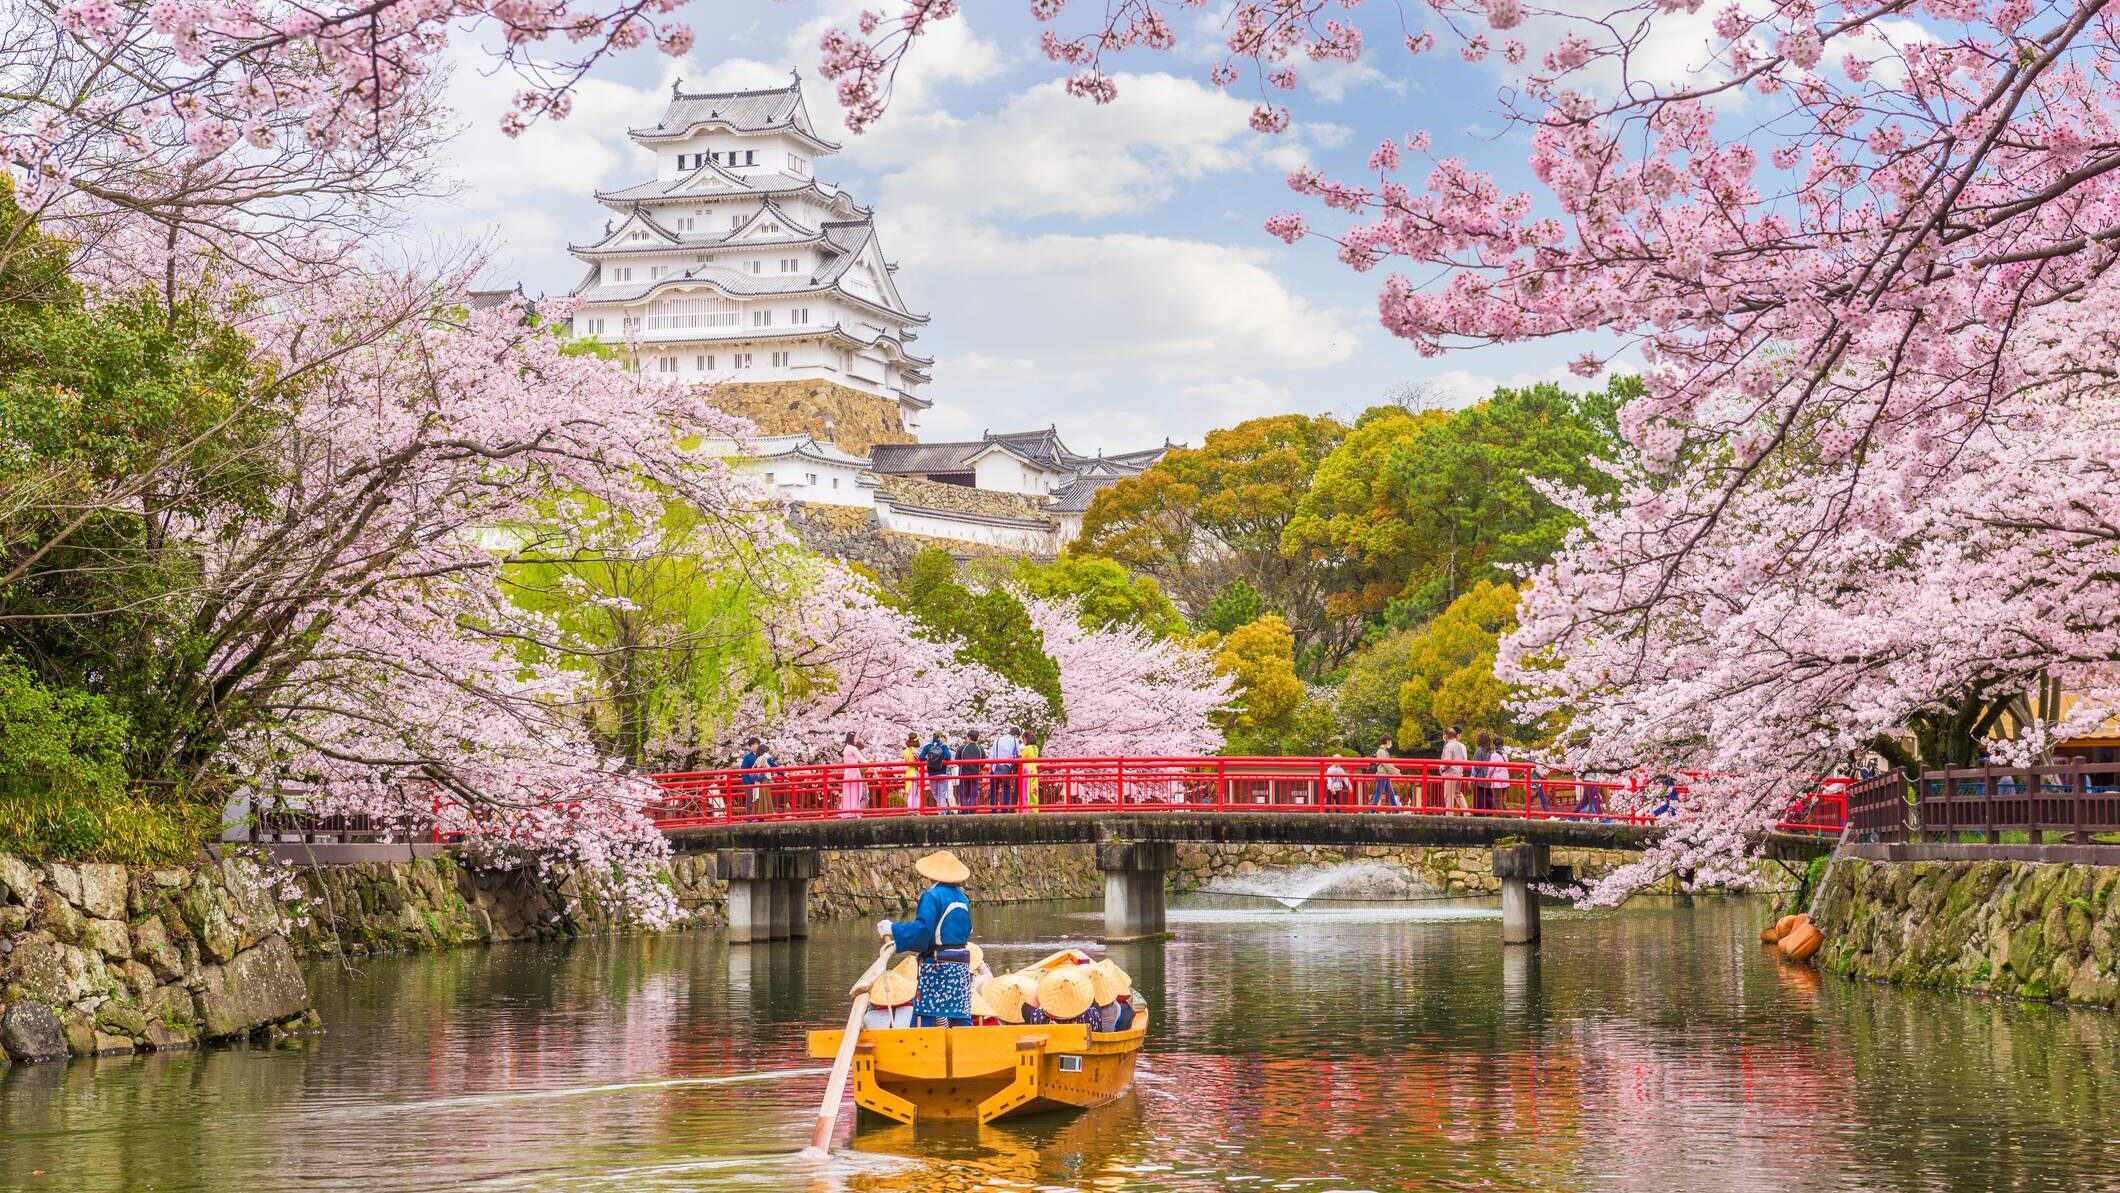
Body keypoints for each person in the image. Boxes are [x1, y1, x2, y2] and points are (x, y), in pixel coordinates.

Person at [877, 850, 975, 1027]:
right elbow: (968, 930)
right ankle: (967, 1048)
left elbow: (923, 930)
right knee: (959, 1015)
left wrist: (893, 928)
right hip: (961, 966)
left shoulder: (932, 896)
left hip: (939, 966)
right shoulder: (963, 898)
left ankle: (919, 1049)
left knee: (926, 1014)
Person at [919, 730, 953, 811]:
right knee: (942, 794)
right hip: (942, 772)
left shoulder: (928, 746)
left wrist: (928, 759)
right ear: (940, 737)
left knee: (935, 793)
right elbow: (948, 757)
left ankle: (943, 810)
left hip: (932, 773)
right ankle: (943, 811)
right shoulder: (943, 746)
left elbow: (921, 758)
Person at [955, 730, 988, 812]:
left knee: (964, 794)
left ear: (969, 737)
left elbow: (957, 760)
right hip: (975, 774)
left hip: (964, 774)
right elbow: (983, 762)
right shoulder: (980, 749)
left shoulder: (962, 748)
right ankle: (973, 812)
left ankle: (965, 811)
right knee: (973, 795)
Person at [1473, 731, 1506, 811]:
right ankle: (1490, 811)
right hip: (1490, 778)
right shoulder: (1491, 751)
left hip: (1480, 778)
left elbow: (1475, 766)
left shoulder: (1479, 751)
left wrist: (1473, 777)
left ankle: (1480, 813)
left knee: (1480, 797)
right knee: (1489, 796)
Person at [990, 725, 1022, 808]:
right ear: (1016, 735)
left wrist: (991, 769)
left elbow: (992, 755)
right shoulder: (1015, 741)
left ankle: (993, 810)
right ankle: (1005, 809)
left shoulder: (997, 739)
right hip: (1007, 769)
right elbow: (1018, 755)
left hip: (995, 767)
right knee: (1006, 789)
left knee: (993, 790)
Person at [1441, 726, 1469, 810]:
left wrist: (1442, 768)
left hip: (1450, 774)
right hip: (1459, 773)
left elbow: (1448, 762)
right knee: (1458, 793)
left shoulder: (1448, 746)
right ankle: (1467, 812)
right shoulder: (1460, 745)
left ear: (1446, 736)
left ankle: (1449, 816)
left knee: (1449, 796)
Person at [737, 736, 766, 816]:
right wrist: (748, 783)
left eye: (756, 744)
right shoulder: (747, 757)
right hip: (750, 783)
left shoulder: (762, 756)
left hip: (760, 782)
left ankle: (761, 818)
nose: (755, 746)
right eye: (753, 744)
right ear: (750, 746)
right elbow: (743, 770)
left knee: (760, 801)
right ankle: (749, 819)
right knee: (750, 801)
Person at [840, 732, 867, 815]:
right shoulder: (853, 748)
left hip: (848, 772)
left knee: (848, 793)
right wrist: (873, 765)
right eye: (856, 738)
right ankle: (854, 813)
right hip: (854, 773)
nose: (857, 740)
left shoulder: (846, 748)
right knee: (855, 793)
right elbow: (863, 760)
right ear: (852, 738)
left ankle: (847, 812)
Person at [1372, 736, 1401, 807]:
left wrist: (1395, 771)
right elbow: (1386, 764)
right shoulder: (1381, 751)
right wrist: (1396, 772)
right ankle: (1372, 810)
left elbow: (1388, 764)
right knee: (1378, 793)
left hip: (1385, 775)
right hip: (1382, 775)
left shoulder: (1384, 751)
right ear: (1387, 741)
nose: (1391, 743)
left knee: (1391, 794)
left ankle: (1396, 811)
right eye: (1390, 741)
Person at [901, 732, 922, 811]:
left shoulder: (906, 750)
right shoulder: (914, 751)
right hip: (914, 772)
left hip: (908, 772)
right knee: (914, 793)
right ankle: (913, 809)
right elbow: (919, 761)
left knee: (911, 793)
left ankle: (912, 809)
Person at [1022, 731, 1042, 808]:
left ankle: (1025, 808)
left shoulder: (1026, 749)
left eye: (1023, 739)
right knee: (1034, 790)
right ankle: (1034, 809)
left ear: (1026, 739)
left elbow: (1021, 758)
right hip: (1034, 769)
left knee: (1026, 790)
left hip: (1026, 769)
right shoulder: (1036, 748)